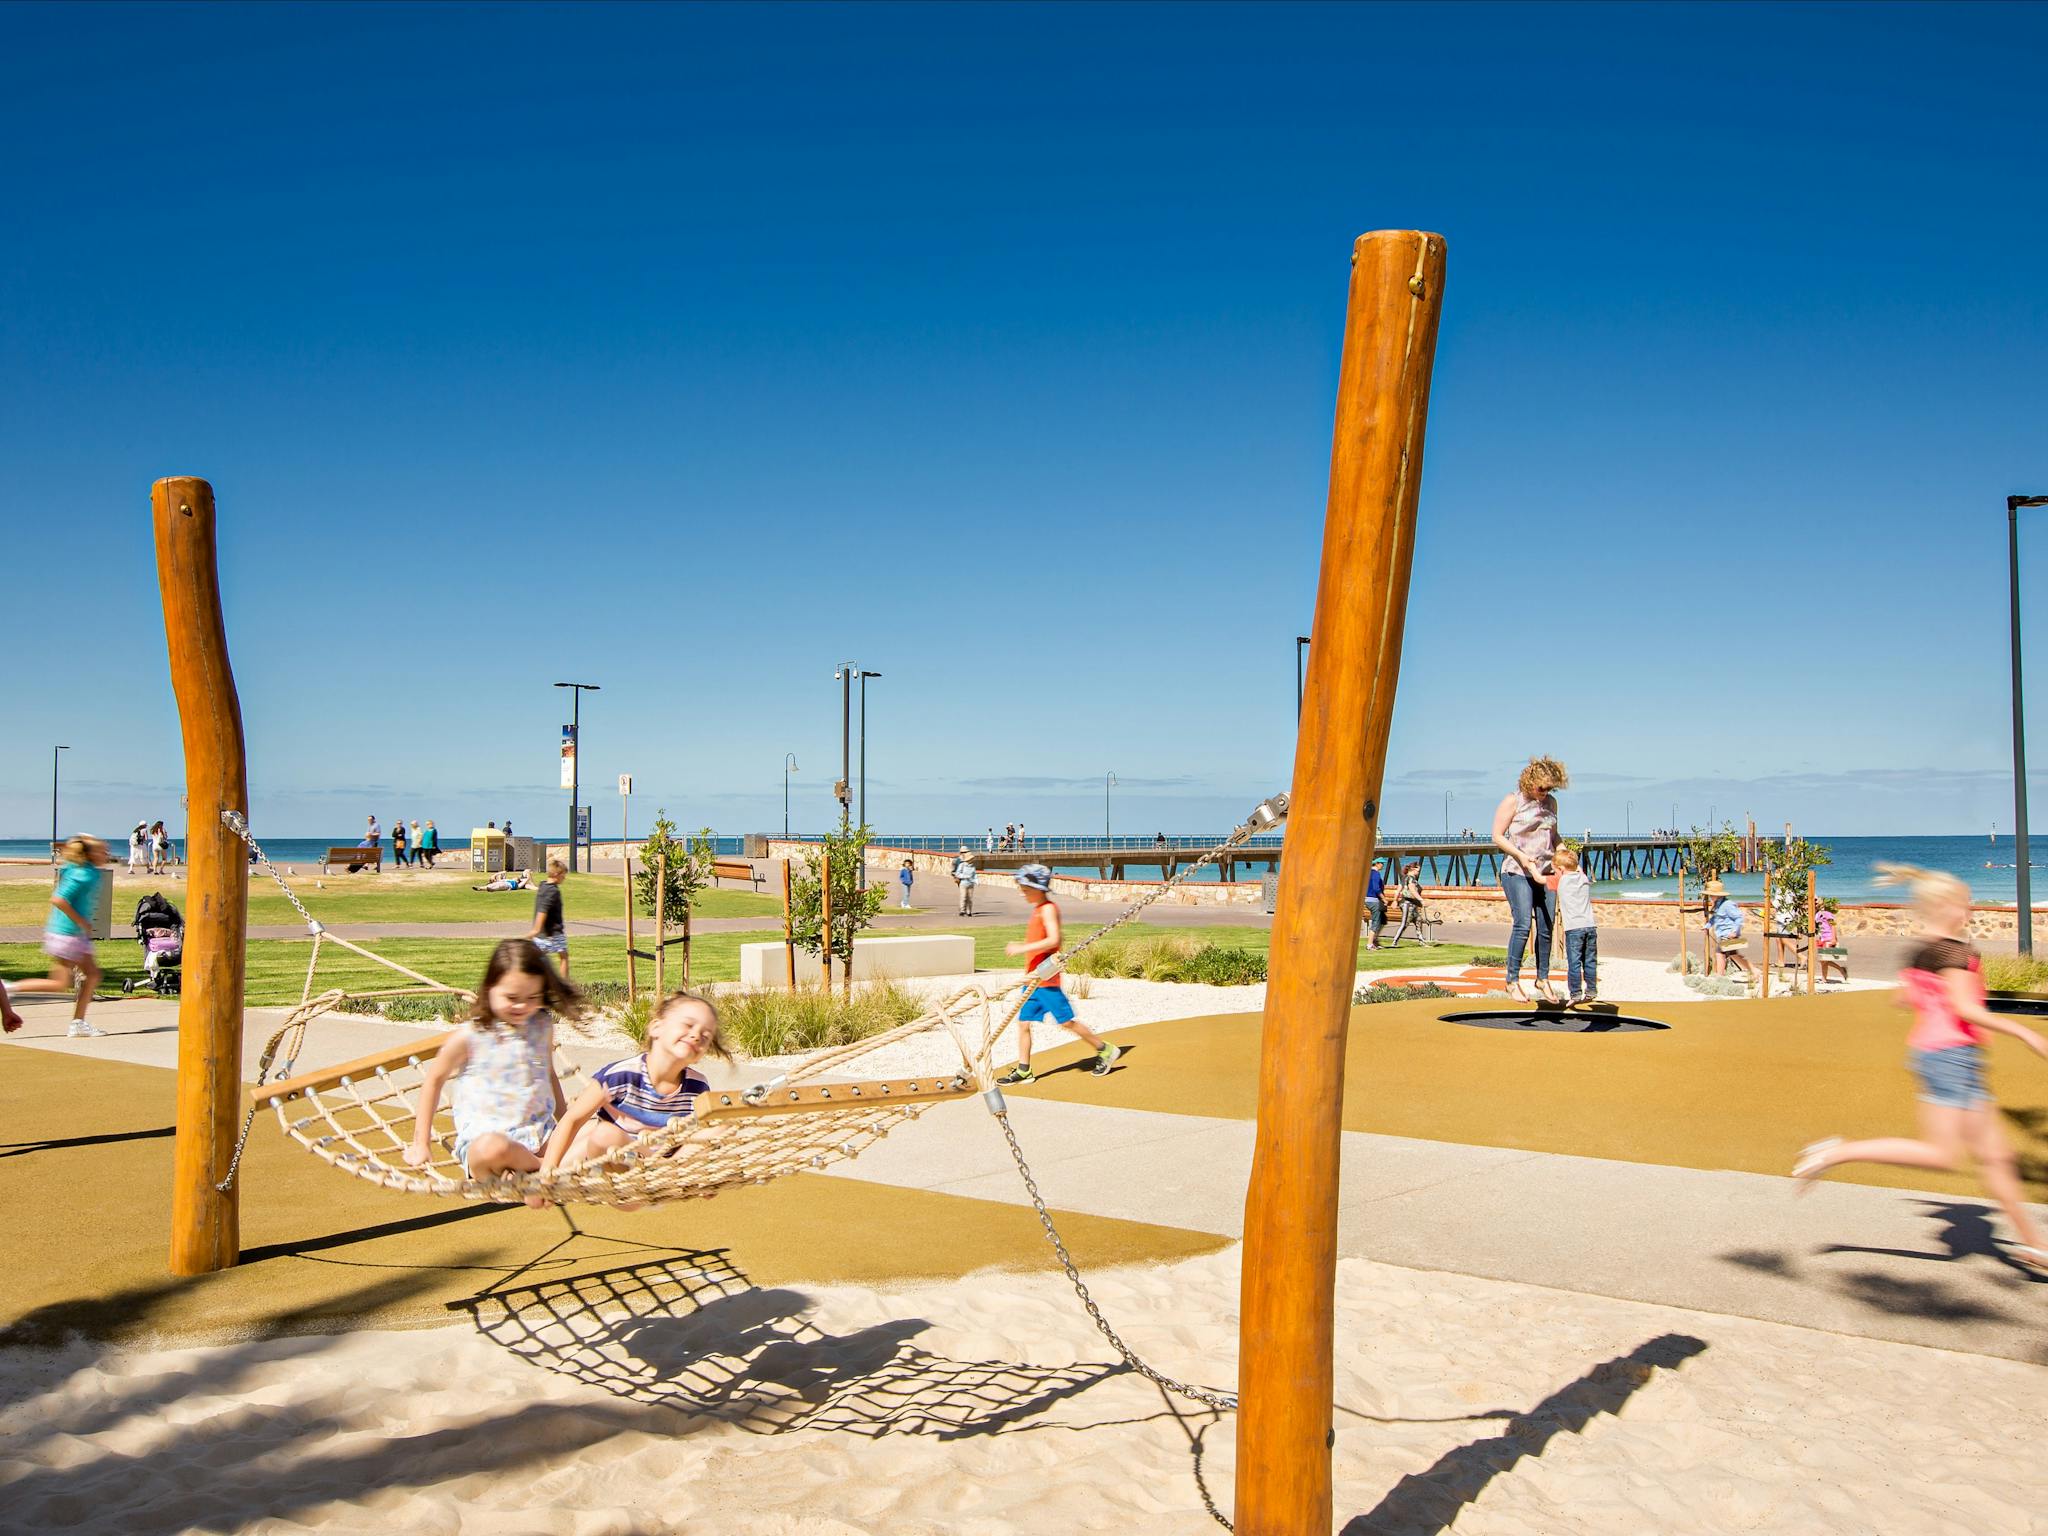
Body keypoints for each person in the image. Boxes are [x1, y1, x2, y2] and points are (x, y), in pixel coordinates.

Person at [1794, 864, 2048, 1275]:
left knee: (1997, 1156)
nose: (1971, 910)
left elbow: (1903, 997)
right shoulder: (1956, 952)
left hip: (1941, 1054)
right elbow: (1966, 1009)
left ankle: (2036, 1247)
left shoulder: (1923, 950)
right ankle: (1836, 1152)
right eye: (1965, 903)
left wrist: (1934, 998)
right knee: (1942, 1154)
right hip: (1952, 1057)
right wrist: (2024, 1032)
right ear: (1945, 907)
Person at [405, 939, 574, 1184]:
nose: (522, 1006)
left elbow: (547, 1073)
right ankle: (543, 1169)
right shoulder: (470, 1036)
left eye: (533, 997)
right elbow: (434, 1081)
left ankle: (532, 1168)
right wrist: (420, 1144)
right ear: (489, 989)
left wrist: (568, 1124)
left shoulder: (542, 1027)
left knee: (595, 1133)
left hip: (540, 1135)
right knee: (489, 1150)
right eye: (511, 997)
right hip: (488, 1143)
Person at [540, 991, 733, 1194]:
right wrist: (548, 1169)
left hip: (663, 1164)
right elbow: (572, 1120)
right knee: (602, 1134)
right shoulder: (620, 1076)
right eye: (687, 1025)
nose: (696, 1036)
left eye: (705, 1036)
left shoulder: (697, 1086)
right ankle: (661, 1177)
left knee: (723, 1124)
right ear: (656, 1027)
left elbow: (697, 1136)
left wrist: (705, 1171)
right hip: (618, 1165)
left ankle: (668, 1176)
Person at [998, 864, 1121, 1083]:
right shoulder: (1038, 909)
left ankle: (1105, 1049)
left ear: (1037, 888)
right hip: (1034, 980)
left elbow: (1055, 940)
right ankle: (1024, 1070)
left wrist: (1021, 947)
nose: (1021, 892)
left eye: (1025, 889)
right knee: (1023, 1023)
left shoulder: (1048, 909)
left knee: (1066, 1022)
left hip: (1046, 981)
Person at [14, 835, 112, 1037]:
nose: (107, 854)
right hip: (67, 934)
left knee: (92, 975)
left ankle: (78, 1023)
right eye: (103, 851)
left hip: (72, 934)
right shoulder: (83, 874)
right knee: (60, 983)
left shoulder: (82, 870)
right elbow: (58, 899)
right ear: (90, 854)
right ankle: (5, 989)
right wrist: (81, 921)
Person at [1490, 756, 1567, 1003]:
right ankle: (1512, 981)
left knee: (1547, 927)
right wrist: (1522, 856)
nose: (1545, 793)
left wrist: (1565, 858)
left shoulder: (1551, 804)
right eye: (1541, 788)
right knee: (1523, 924)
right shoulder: (1514, 800)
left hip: (1545, 872)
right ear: (1530, 781)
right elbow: (1497, 836)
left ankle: (1542, 979)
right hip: (1517, 870)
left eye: (1550, 788)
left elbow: (1553, 837)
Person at [1554, 845, 1598, 1005]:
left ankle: (1575, 994)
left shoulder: (1562, 882)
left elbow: (1540, 879)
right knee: (1590, 961)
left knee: (1574, 962)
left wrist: (1530, 866)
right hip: (1590, 926)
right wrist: (1567, 854)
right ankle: (1591, 990)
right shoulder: (1584, 879)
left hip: (1573, 929)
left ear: (1560, 869)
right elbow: (1576, 867)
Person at [526, 858, 571, 977]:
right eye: (563, 875)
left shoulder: (543, 886)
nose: (564, 878)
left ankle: (539, 984)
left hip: (542, 934)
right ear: (557, 874)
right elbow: (543, 910)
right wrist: (535, 930)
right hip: (553, 933)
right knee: (564, 957)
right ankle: (562, 986)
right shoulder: (553, 892)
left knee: (539, 961)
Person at [1705, 878, 1750, 980]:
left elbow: (1738, 917)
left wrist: (1735, 932)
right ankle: (1754, 971)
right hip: (1723, 934)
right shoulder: (1718, 905)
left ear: (1718, 894)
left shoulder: (1727, 904)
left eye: (1711, 894)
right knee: (1733, 955)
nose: (1710, 896)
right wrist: (1707, 926)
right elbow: (1715, 918)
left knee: (1722, 953)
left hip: (1729, 934)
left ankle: (1720, 977)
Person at [1386, 861, 1427, 947]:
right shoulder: (1411, 879)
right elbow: (1412, 890)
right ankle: (1394, 942)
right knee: (1405, 923)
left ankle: (1421, 941)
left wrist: (1395, 900)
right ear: (1413, 869)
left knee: (1418, 921)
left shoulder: (1404, 878)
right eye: (1418, 870)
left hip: (1411, 904)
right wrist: (1421, 900)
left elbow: (1398, 890)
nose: (1418, 872)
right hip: (1408, 903)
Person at [1815, 899, 1849, 985]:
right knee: (1823, 960)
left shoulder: (1827, 914)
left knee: (1824, 960)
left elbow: (1833, 926)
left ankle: (1824, 978)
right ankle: (1840, 970)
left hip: (1829, 938)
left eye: (1817, 902)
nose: (1816, 903)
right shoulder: (1817, 915)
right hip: (1822, 938)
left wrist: (1833, 939)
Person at [1362, 862, 1387, 950]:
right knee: (1376, 922)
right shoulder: (1376, 874)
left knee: (1382, 920)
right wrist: (1384, 899)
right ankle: (1369, 944)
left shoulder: (1368, 873)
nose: (1383, 865)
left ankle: (1375, 941)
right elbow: (1376, 888)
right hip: (1374, 900)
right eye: (1382, 863)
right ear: (1377, 864)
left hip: (1367, 899)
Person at [952, 846, 978, 916]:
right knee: (963, 896)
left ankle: (966, 910)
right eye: (964, 852)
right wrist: (956, 877)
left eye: (966, 852)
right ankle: (962, 909)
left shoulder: (970, 863)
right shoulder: (957, 860)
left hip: (969, 882)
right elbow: (954, 870)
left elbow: (974, 873)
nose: (965, 853)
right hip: (960, 880)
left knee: (968, 896)